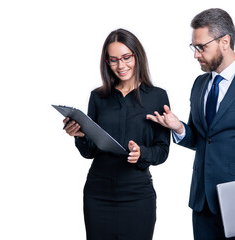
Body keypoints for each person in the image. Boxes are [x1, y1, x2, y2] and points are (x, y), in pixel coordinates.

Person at [147, 8, 235, 240]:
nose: (196, 54)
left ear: (225, 41)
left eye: (202, 47)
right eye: (194, 47)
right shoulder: (200, 84)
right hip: (203, 205)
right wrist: (180, 128)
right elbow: (203, 139)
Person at [62, 28, 171, 240]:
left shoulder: (157, 96)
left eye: (126, 57)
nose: (121, 66)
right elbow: (89, 152)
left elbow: (162, 151)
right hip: (98, 193)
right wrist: (79, 136)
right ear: (107, 63)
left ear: (137, 56)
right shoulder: (98, 97)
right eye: (113, 60)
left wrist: (142, 153)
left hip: (137, 195)